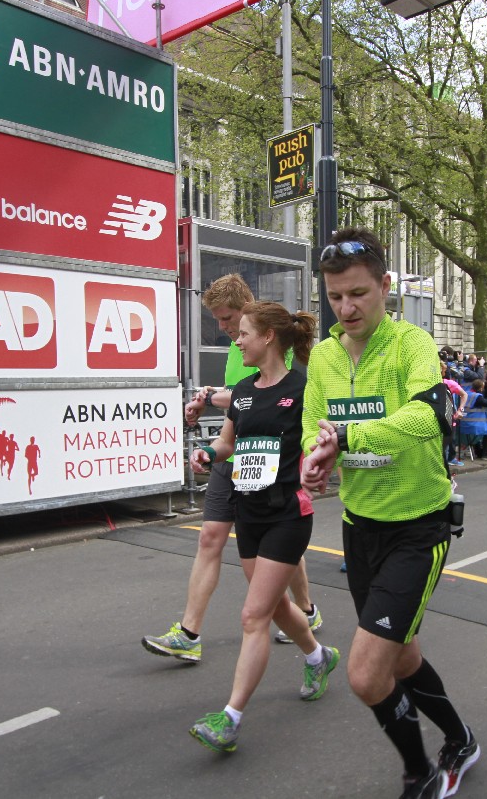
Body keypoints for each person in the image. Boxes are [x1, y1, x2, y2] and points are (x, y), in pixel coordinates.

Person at [300, 228, 477, 799]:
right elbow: (311, 427)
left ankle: (419, 773)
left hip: (418, 526)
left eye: (358, 293)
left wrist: (348, 437)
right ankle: (461, 740)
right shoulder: (324, 356)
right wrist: (313, 458)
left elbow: (428, 417)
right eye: (335, 296)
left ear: (384, 286)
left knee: (364, 673)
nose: (346, 307)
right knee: (401, 658)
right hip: (360, 527)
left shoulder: (412, 344)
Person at [143, 275, 321, 661]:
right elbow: (239, 398)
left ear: (249, 314)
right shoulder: (237, 348)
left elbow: (260, 395)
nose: (227, 331)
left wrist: (209, 398)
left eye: (229, 320)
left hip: (274, 468)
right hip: (234, 454)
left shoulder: (276, 344)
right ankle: (189, 633)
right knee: (211, 537)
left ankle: (306, 611)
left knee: (279, 545)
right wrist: (210, 443)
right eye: (222, 322)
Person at [186, 301, 337, 753]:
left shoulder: (302, 389)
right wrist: (208, 454)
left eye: (243, 334)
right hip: (248, 513)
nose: (236, 341)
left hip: (288, 514)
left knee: (253, 616)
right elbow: (228, 442)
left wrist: (317, 462)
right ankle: (319, 656)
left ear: (268, 336)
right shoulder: (244, 391)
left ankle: (230, 718)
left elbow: (319, 438)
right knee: (273, 607)